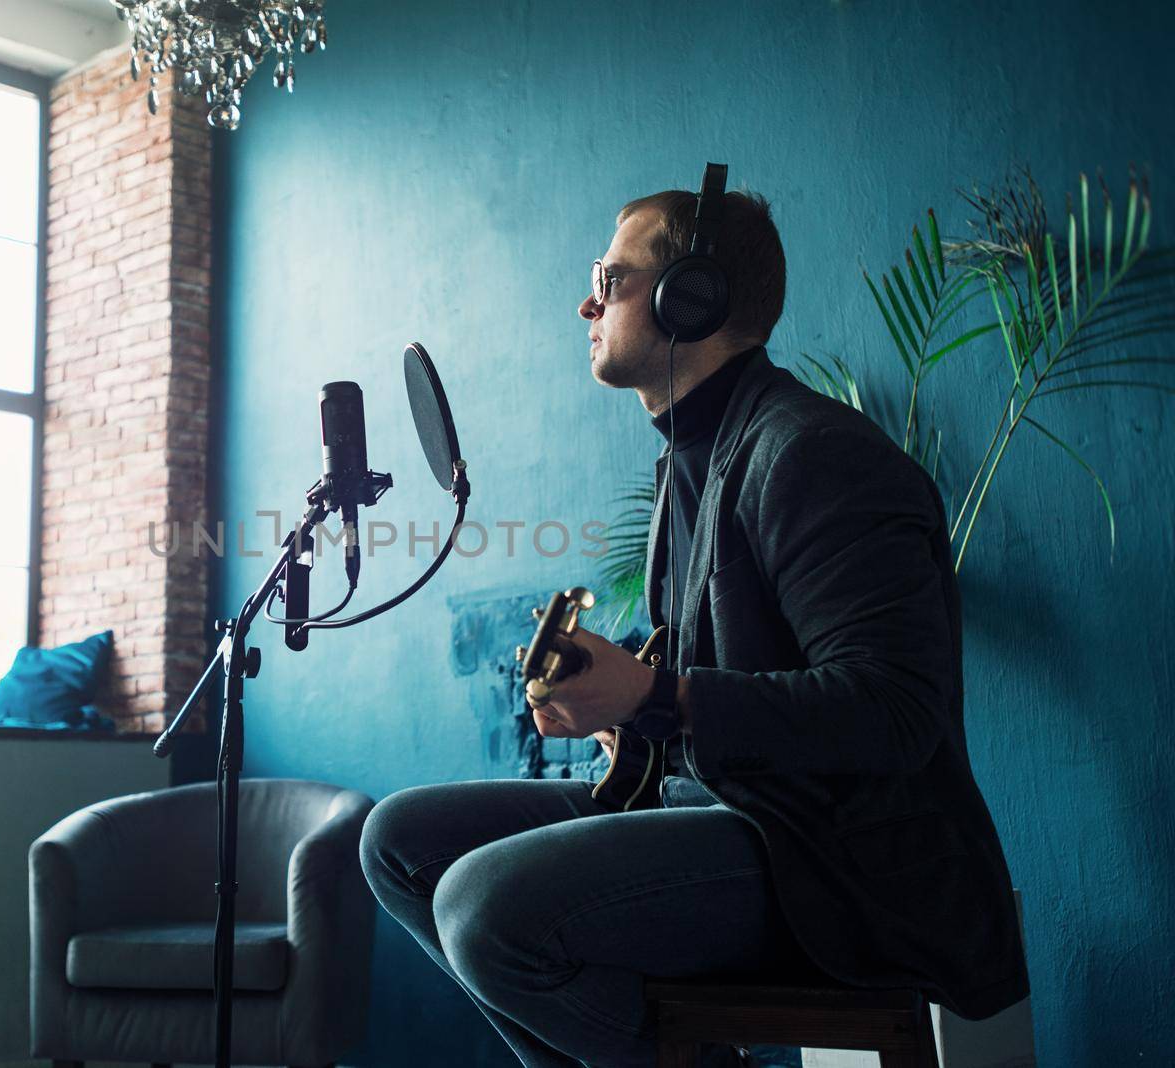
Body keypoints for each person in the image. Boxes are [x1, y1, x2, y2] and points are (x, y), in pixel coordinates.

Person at [358, 182, 1030, 1068]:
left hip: (833, 866)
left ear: (693, 298)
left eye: (612, 278)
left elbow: (896, 712)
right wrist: (631, 714)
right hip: (720, 812)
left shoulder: (811, 453)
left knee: (484, 906)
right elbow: (699, 697)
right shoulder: (690, 462)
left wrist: (658, 694)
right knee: (400, 843)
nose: (586, 302)